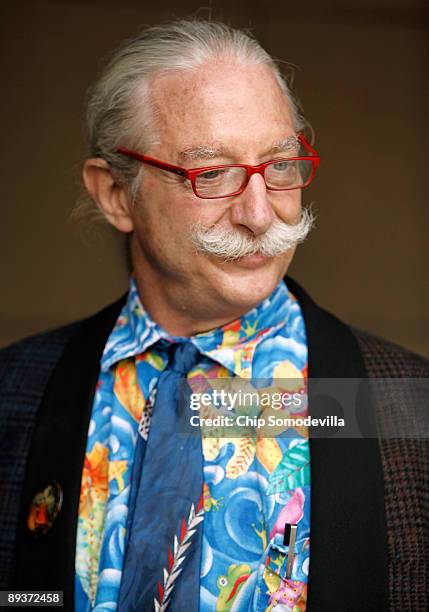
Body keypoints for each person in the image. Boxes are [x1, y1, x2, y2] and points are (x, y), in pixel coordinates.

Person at [0, 19, 427, 612]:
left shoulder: (408, 407)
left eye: (279, 165)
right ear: (116, 195)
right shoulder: (12, 392)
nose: (259, 214)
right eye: (210, 173)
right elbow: (22, 595)